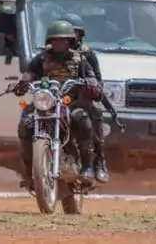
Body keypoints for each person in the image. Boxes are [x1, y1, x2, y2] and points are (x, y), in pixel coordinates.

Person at [11, 20, 100, 189]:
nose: (59, 43)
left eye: (64, 40)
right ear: (50, 41)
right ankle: (29, 172)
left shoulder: (79, 58)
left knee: (84, 122)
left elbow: (91, 76)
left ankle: (88, 168)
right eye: (56, 40)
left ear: (70, 41)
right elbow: (30, 73)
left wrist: (92, 83)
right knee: (25, 124)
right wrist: (23, 82)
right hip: (45, 101)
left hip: (71, 102)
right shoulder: (42, 58)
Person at [60, 12, 108, 183]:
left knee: (93, 119)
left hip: (81, 103)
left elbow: (98, 83)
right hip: (53, 103)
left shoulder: (86, 56)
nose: (68, 39)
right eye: (63, 36)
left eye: (73, 34)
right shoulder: (47, 55)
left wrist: (92, 85)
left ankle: (98, 162)